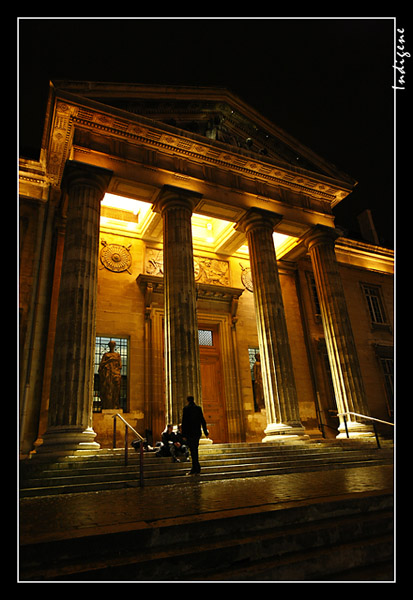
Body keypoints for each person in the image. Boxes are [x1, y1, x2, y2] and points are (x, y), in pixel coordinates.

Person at [181, 395, 209, 475]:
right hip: (197, 433)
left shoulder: (186, 409)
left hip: (189, 433)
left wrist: (183, 434)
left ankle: (195, 468)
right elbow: (202, 420)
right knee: (195, 450)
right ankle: (196, 467)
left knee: (192, 450)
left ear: (188, 400)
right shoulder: (198, 408)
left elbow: (184, 422)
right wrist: (205, 431)